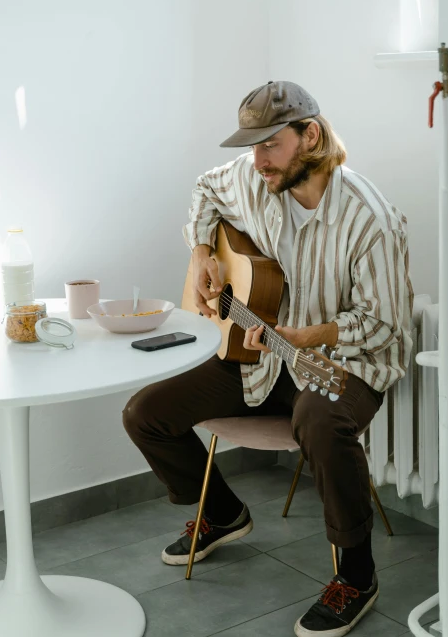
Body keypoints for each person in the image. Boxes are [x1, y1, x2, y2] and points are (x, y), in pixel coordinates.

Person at [123, 80, 414, 636]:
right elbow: (206, 190)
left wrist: (311, 337)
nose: (256, 161)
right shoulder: (254, 179)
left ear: (312, 136)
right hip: (261, 358)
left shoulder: (370, 219)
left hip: (346, 363)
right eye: (250, 147)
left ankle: (357, 575)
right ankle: (223, 514)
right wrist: (204, 253)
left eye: (269, 145)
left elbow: (385, 326)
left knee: (320, 421)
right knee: (144, 413)